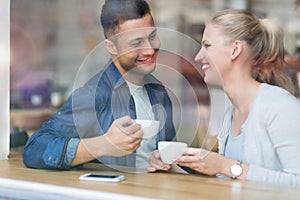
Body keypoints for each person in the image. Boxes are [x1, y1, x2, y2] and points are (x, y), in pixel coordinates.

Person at [23, 0, 175, 172]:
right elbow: (34, 149)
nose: (149, 49)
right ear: (112, 47)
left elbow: (167, 158)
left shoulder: (159, 92)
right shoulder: (93, 95)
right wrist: (102, 145)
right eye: (136, 43)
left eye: (152, 36)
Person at [175, 9, 300, 185]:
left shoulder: (279, 106)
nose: (198, 56)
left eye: (207, 46)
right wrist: (172, 164)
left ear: (235, 49)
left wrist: (227, 166)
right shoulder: (230, 115)